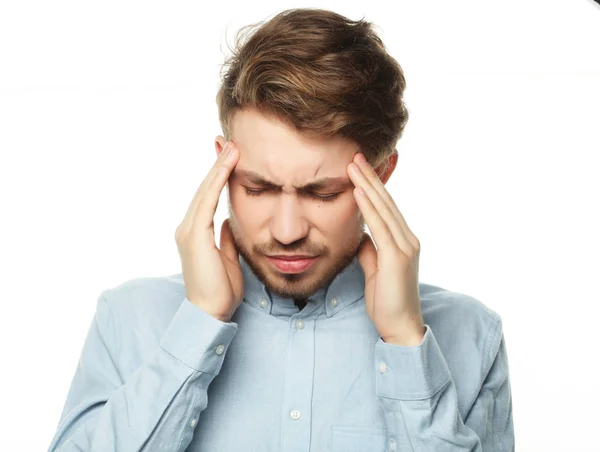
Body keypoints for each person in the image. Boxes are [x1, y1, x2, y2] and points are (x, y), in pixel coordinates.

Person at [48, 7, 514, 452]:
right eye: (258, 187)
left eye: (323, 193)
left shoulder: (471, 336)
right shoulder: (129, 319)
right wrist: (199, 325)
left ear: (382, 173)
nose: (288, 230)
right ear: (222, 167)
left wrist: (408, 344)